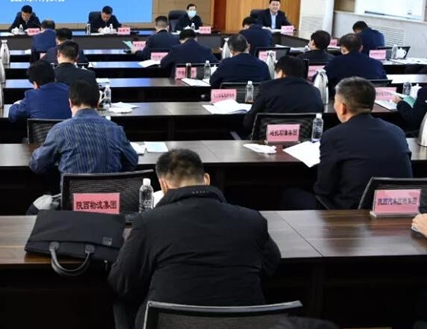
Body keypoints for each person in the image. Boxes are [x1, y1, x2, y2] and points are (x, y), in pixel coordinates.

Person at [109, 149, 280, 329]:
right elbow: (272, 265)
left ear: (163, 185)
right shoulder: (252, 220)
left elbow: (122, 282)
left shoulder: (149, 222)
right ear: (206, 179)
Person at [282, 77, 412, 210]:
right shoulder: (396, 131)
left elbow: (324, 189)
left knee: (289, 194)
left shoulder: (334, 136)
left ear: (342, 107)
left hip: (351, 212)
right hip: (397, 208)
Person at [29, 80, 138, 184]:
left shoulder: (59, 131)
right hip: (110, 196)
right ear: (97, 103)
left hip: (72, 197)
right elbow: (132, 161)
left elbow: (37, 165)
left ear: (70, 103)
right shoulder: (115, 130)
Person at [243, 56, 324, 130]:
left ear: (281, 73)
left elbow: (249, 122)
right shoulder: (315, 91)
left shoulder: (267, 88)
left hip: (266, 139)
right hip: (303, 139)